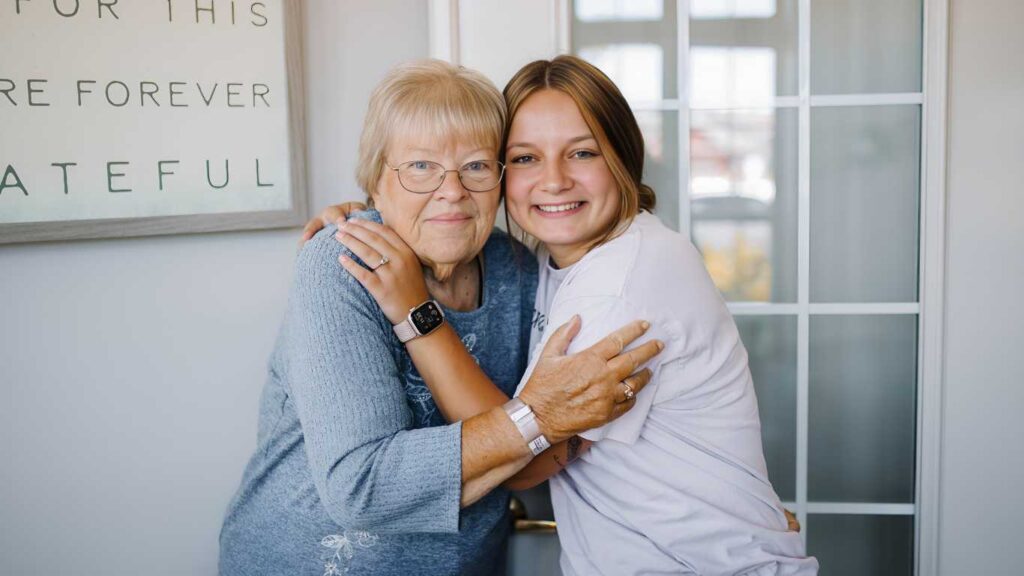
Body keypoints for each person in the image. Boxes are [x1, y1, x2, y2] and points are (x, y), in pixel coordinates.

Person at [315, 55, 819, 575]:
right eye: (526, 158)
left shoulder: (617, 289)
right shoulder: (555, 260)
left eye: (581, 152)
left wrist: (418, 314)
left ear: (623, 158)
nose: (553, 181)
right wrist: (371, 215)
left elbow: (528, 460)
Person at [219, 59, 663, 576]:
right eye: (420, 167)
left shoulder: (519, 268)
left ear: (500, 179)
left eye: (475, 166)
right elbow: (363, 488)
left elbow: (554, 454)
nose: (452, 191)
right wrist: (536, 418)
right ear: (375, 183)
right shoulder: (340, 265)